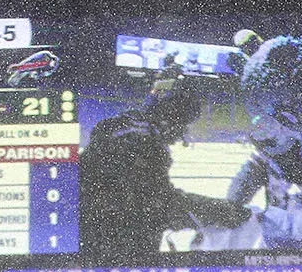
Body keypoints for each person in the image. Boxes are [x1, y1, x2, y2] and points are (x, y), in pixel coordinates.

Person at [77, 62, 251, 256]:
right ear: (172, 115)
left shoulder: (121, 125)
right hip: (114, 253)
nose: (181, 135)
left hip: (91, 239)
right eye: (182, 123)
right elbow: (159, 205)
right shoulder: (144, 141)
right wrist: (220, 210)